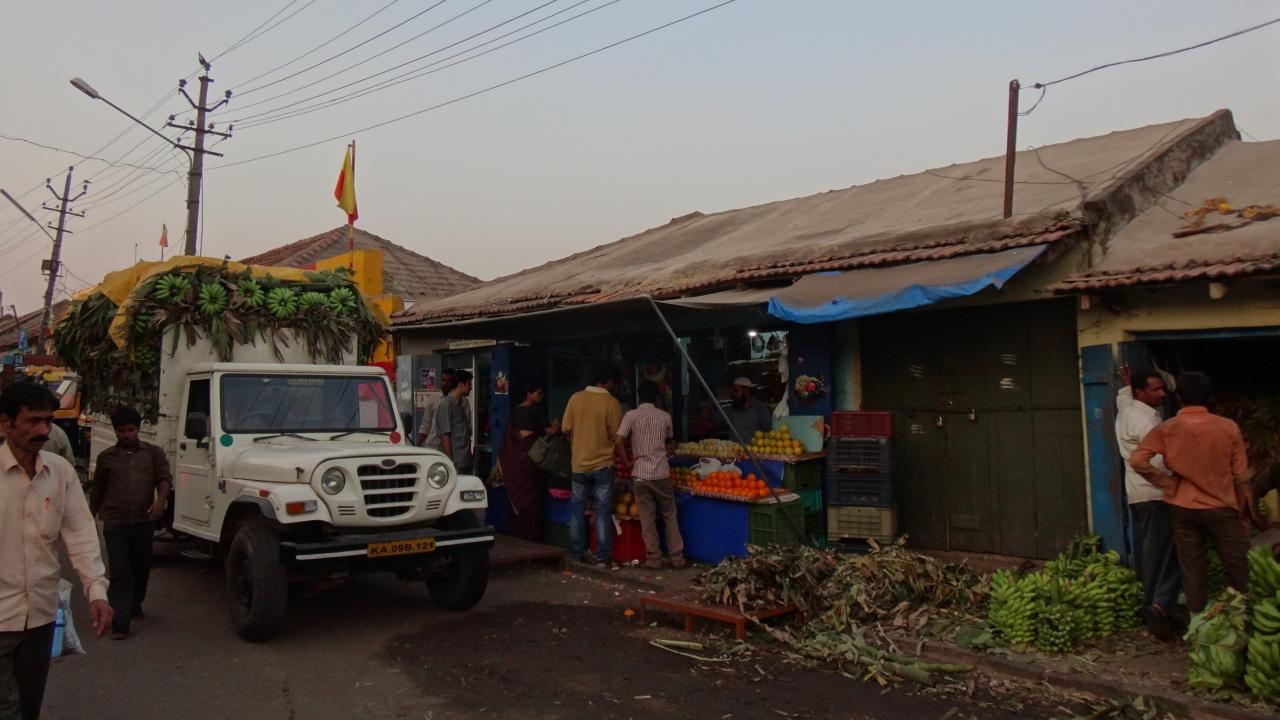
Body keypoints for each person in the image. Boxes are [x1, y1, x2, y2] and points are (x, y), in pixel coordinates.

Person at [1, 383, 111, 720]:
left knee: (28, 707)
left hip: (41, 617)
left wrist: (96, 590)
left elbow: (80, 534)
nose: (43, 430)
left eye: (48, 421)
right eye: (32, 421)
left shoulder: (60, 472)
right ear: (5, 423)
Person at [1131, 371, 1267, 614]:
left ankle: (1197, 623)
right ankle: (1248, 618)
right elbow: (1241, 476)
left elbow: (1137, 460)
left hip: (1183, 509)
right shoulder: (1227, 427)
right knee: (1239, 569)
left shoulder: (1167, 428)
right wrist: (1244, 512)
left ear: (1179, 397)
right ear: (1210, 397)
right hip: (1221, 508)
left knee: (1193, 572)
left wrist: (1166, 483)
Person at [89, 406, 172, 640]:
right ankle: (120, 623)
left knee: (140, 568)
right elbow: (98, 490)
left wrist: (160, 501)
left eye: (131, 430)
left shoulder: (153, 454)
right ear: (115, 431)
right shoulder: (106, 458)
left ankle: (135, 603)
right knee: (120, 571)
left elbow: (164, 479)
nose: (127, 435)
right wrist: (88, 518)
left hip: (143, 521)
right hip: (115, 521)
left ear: (138, 429)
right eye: (122, 431)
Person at [1114, 367, 1182, 640]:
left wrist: (1126, 385)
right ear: (1140, 392)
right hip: (1155, 495)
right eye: (1155, 389)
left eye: (1162, 388)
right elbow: (1159, 460)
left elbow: (1123, 398)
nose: (1162, 394)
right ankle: (1157, 607)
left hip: (1141, 495)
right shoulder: (1144, 421)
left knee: (1160, 552)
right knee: (1163, 555)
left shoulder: (1128, 407)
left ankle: (1160, 605)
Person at [615, 381, 685, 570]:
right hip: (661, 472)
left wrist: (627, 462)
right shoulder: (665, 416)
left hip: (640, 473)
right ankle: (677, 558)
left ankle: (653, 559)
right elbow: (669, 440)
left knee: (647, 517)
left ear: (639, 396)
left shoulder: (631, 415)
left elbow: (618, 442)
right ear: (655, 398)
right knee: (669, 514)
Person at [562, 366, 623, 566]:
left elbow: (566, 429)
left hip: (579, 465)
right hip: (603, 466)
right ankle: (603, 556)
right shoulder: (612, 403)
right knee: (602, 512)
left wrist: (579, 443)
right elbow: (617, 437)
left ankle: (577, 554)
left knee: (577, 512)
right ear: (608, 382)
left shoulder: (575, 398)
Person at [499, 386, 559, 542]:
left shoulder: (514, 411)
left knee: (518, 494)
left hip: (515, 460)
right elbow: (550, 431)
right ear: (529, 394)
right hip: (530, 460)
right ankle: (531, 536)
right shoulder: (535, 411)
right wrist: (559, 427)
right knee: (531, 499)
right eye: (538, 393)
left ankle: (518, 535)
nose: (541, 396)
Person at [435, 370, 474, 474]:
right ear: (461, 385)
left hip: (465, 460)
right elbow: (445, 435)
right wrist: (450, 461)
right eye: (469, 384)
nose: (471, 388)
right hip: (456, 463)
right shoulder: (447, 405)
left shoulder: (461, 404)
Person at [720, 377, 773, 442]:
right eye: (733, 392)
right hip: (734, 447)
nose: (734, 394)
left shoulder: (761, 409)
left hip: (753, 448)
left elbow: (769, 431)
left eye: (736, 391)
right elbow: (719, 422)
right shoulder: (731, 409)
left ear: (746, 390)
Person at [416, 368, 457, 448]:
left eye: (449, 381)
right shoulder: (433, 399)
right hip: (433, 447)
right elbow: (425, 425)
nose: (445, 383)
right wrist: (416, 447)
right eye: (443, 380)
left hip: (452, 448)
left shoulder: (461, 402)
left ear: (454, 383)